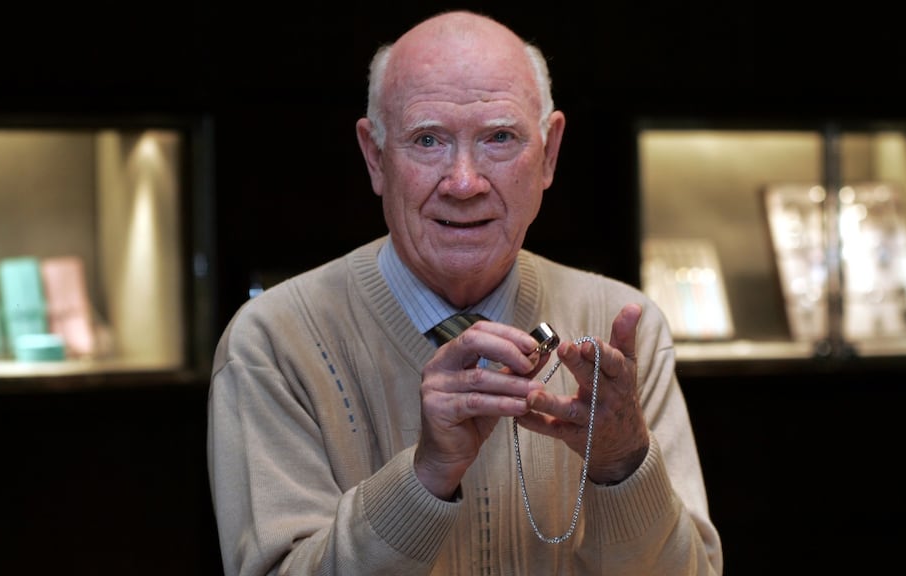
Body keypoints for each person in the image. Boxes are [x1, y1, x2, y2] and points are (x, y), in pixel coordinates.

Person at [207, 9, 723, 575]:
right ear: (375, 157)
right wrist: (426, 476)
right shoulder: (275, 344)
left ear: (549, 153)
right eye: (427, 140)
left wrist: (624, 465)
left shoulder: (623, 328)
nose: (463, 183)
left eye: (500, 138)